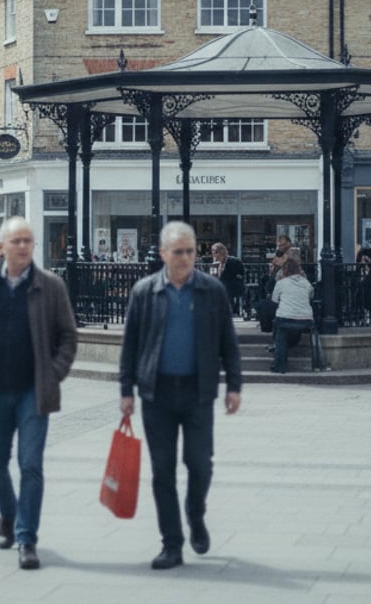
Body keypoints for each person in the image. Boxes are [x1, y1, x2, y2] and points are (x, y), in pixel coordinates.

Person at [0, 217, 78, 571]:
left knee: (30, 465)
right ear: (2, 247)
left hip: (32, 392)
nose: (23, 247)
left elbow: (68, 336)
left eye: (28, 241)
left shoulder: (50, 286)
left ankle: (26, 538)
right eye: (16, 241)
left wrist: (53, 373)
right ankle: (8, 514)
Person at [120, 221, 243, 570]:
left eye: (190, 251)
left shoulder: (211, 290)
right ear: (163, 254)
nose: (186, 257)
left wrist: (234, 385)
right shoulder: (145, 292)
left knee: (200, 463)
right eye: (178, 252)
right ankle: (171, 544)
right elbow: (130, 345)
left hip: (197, 391)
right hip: (156, 393)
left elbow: (228, 340)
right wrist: (126, 390)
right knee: (162, 470)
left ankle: (195, 512)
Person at [267, 254, 314, 373]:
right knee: (283, 327)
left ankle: (280, 365)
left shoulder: (281, 283)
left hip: (285, 318)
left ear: (284, 270)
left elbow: (274, 300)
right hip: (306, 319)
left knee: (280, 331)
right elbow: (310, 297)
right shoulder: (306, 283)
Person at [209, 243, 246, 316]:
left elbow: (240, 275)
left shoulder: (234, 261)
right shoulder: (216, 264)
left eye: (215, 253)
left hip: (234, 285)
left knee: (225, 288)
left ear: (221, 252)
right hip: (222, 285)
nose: (214, 256)